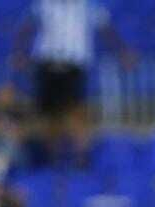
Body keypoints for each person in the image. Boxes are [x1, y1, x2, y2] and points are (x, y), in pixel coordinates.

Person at [22, 0, 131, 164]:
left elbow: (106, 29)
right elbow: (27, 27)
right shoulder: (44, 4)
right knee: (50, 115)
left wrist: (122, 52)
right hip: (47, 63)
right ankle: (51, 158)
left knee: (76, 111)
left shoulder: (88, 5)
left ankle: (81, 156)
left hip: (74, 63)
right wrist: (21, 52)